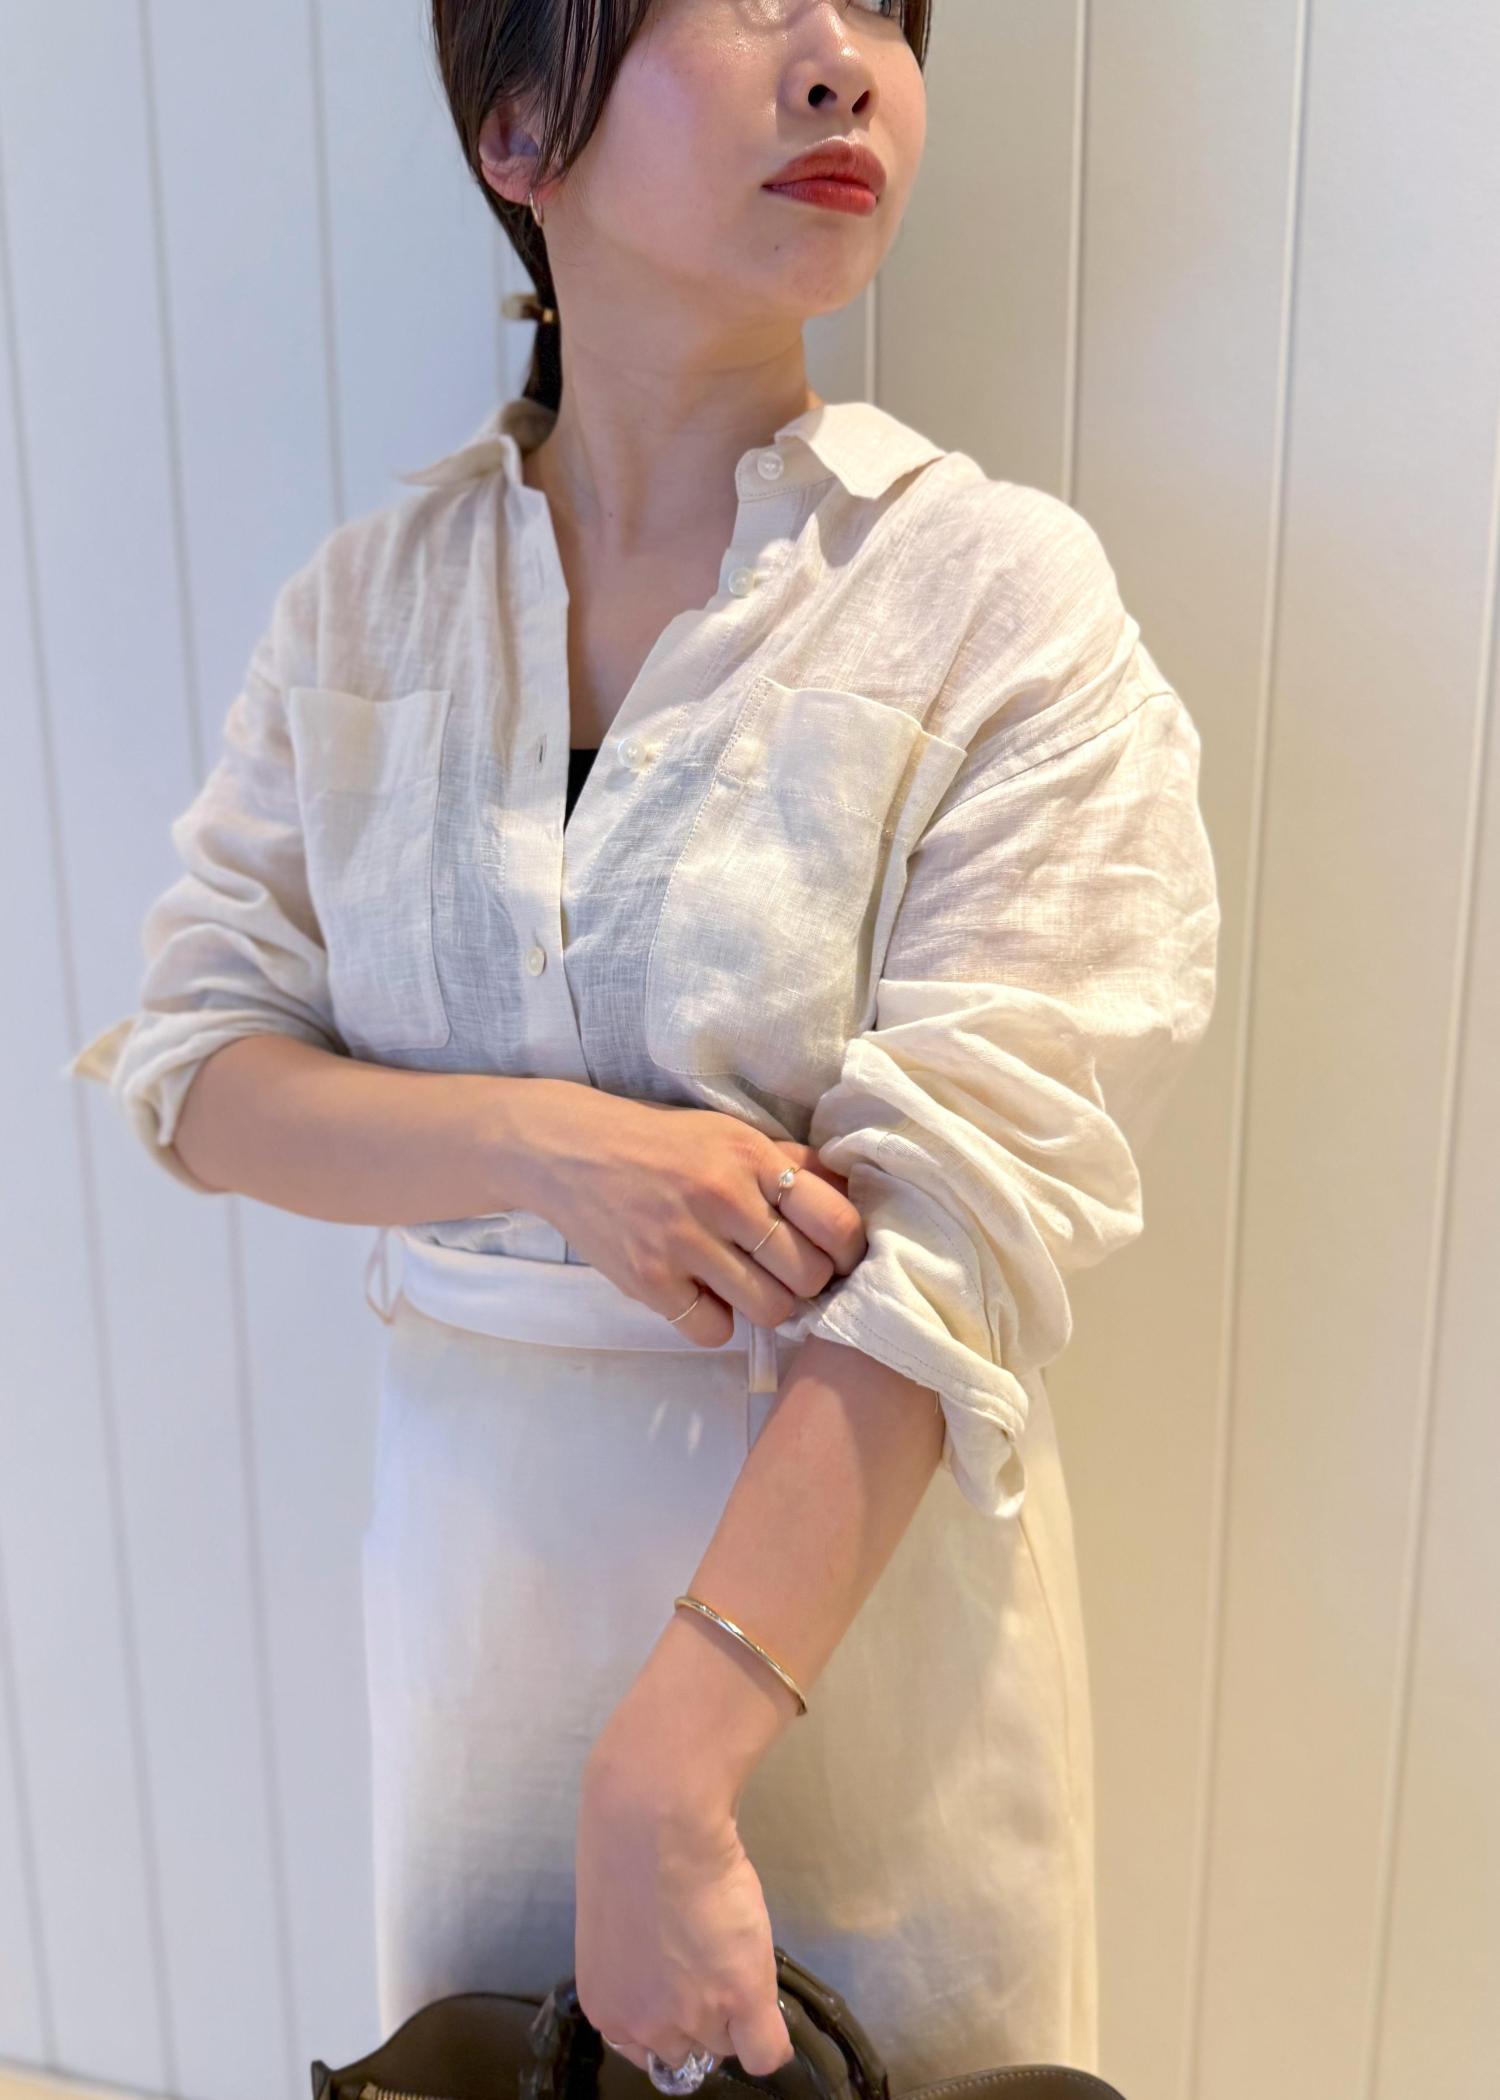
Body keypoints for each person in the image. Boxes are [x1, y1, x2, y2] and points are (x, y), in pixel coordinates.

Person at [65, 0, 1221, 2090]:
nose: (844, 62)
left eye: (883, 11)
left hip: (857, 1643)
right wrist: (550, 1145)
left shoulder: (993, 596)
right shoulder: (368, 609)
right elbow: (201, 1069)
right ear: (519, 126)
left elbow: (964, 1229)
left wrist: (671, 1770)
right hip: (481, 1617)